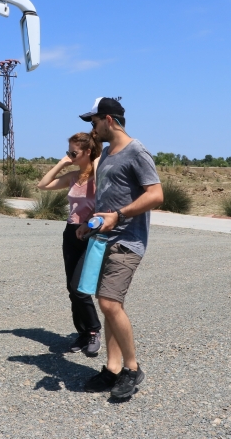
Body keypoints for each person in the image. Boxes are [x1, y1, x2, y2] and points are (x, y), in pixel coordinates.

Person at [76, 97, 163, 398]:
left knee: (110, 304)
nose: (92, 128)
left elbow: (156, 195)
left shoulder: (136, 151)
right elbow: (107, 201)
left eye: (94, 121)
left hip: (128, 240)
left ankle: (132, 368)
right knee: (109, 304)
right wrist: (89, 222)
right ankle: (113, 368)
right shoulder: (108, 154)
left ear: (109, 120)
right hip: (104, 240)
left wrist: (119, 216)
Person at [37, 132, 103, 356]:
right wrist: (63, 162)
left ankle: (94, 330)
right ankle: (83, 333)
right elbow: (42, 185)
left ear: (88, 152)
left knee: (79, 288)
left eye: (73, 152)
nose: (69, 156)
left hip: (90, 233)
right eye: (68, 152)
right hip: (70, 232)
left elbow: (100, 166)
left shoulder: (101, 175)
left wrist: (94, 158)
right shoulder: (73, 176)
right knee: (71, 289)